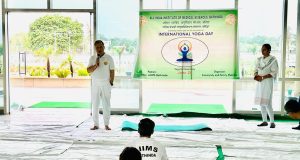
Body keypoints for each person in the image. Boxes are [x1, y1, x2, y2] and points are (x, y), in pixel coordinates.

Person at [87, 40, 115, 130]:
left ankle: (106, 124)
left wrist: (111, 81)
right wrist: (96, 65)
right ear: (95, 48)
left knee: (106, 103)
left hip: (106, 83)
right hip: (95, 83)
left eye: (100, 47)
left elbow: (112, 70)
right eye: (97, 47)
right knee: (95, 103)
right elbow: (88, 70)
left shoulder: (109, 58)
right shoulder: (92, 58)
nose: (99, 49)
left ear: (104, 47)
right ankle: (96, 124)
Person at [254, 44, 278, 128]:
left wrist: (263, 77)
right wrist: (256, 75)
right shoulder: (259, 59)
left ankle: (272, 122)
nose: (262, 51)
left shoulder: (273, 60)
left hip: (267, 82)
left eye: (264, 49)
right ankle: (264, 121)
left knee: (268, 103)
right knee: (261, 103)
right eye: (262, 49)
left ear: (269, 50)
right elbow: (256, 69)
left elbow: (274, 72)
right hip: (260, 83)